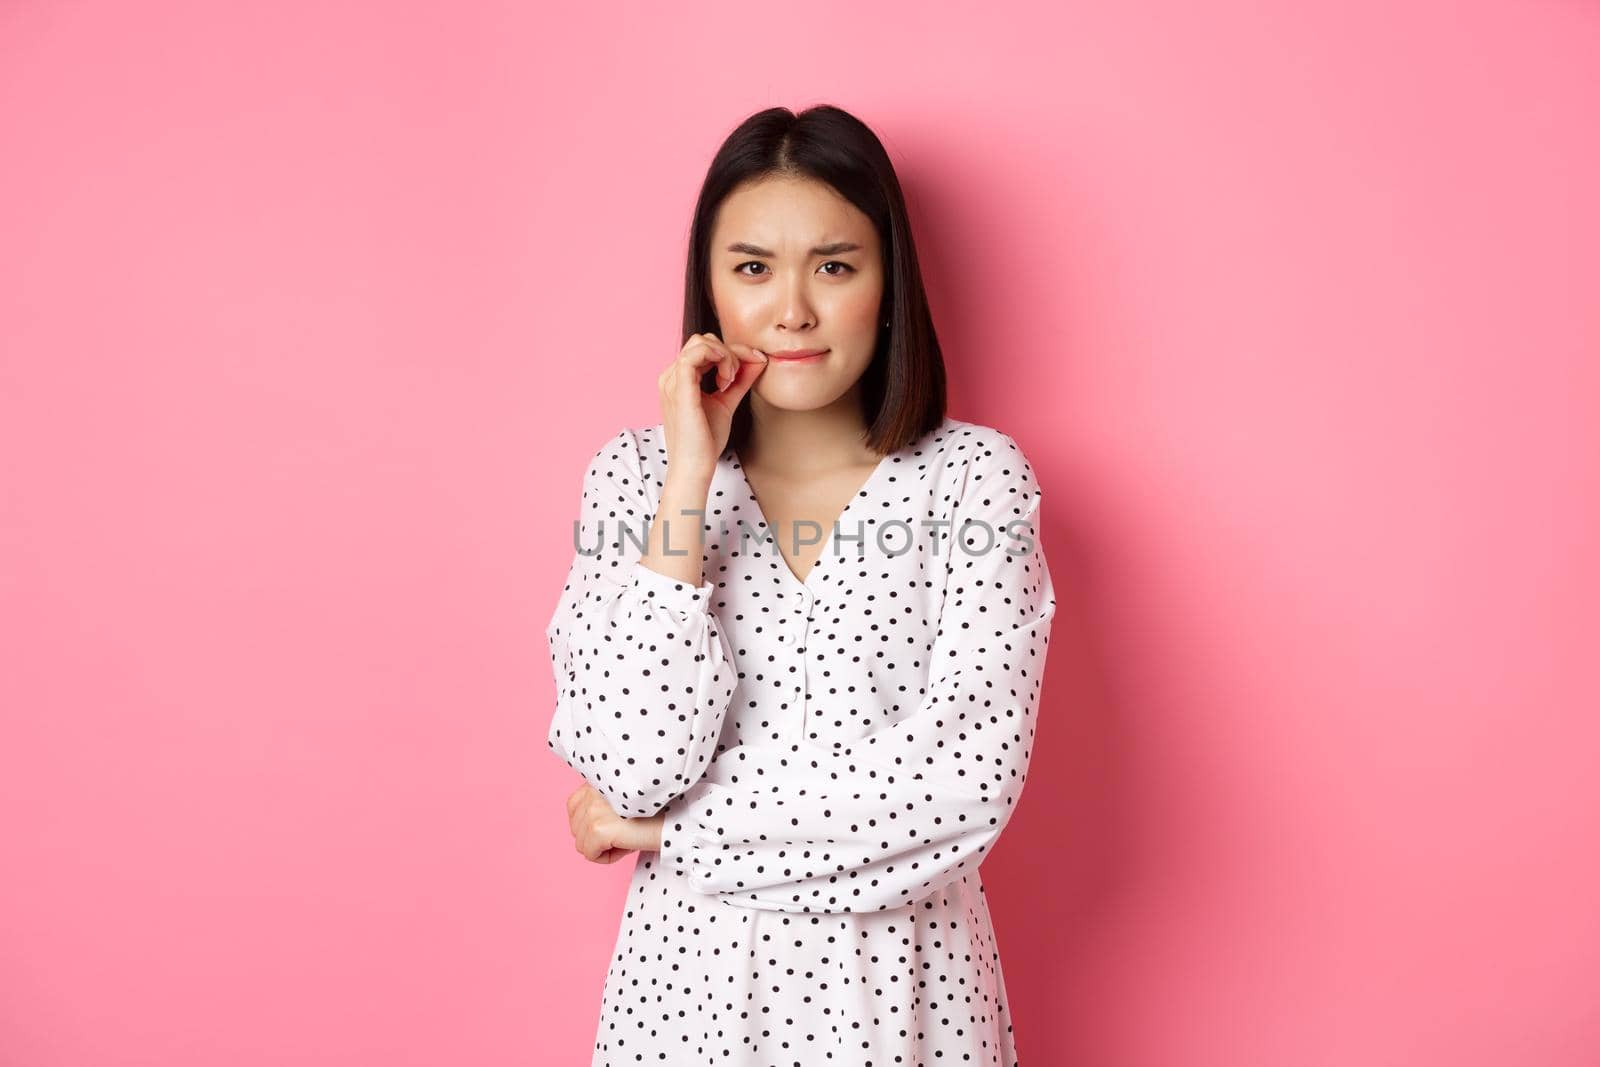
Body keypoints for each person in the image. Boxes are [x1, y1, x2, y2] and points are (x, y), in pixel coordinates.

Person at [545, 104, 1056, 1067]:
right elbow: (627, 763)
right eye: (752, 268)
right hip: (683, 1009)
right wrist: (687, 482)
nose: (791, 311)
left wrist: (661, 830)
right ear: (710, 288)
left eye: (833, 265)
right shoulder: (631, 482)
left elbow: (956, 792)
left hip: (905, 1003)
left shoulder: (975, 483)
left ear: (888, 283)